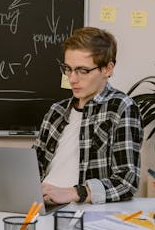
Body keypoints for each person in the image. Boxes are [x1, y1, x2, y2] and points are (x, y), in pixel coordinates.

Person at [34, 27, 142, 205]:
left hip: (82, 211)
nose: (73, 79)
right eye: (68, 69)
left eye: (82, 71)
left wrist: (75, 193)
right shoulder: (56, 111)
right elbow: (33, 168)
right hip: (41, 206)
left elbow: (126, 181)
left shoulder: (121, 108)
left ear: (107, 69)